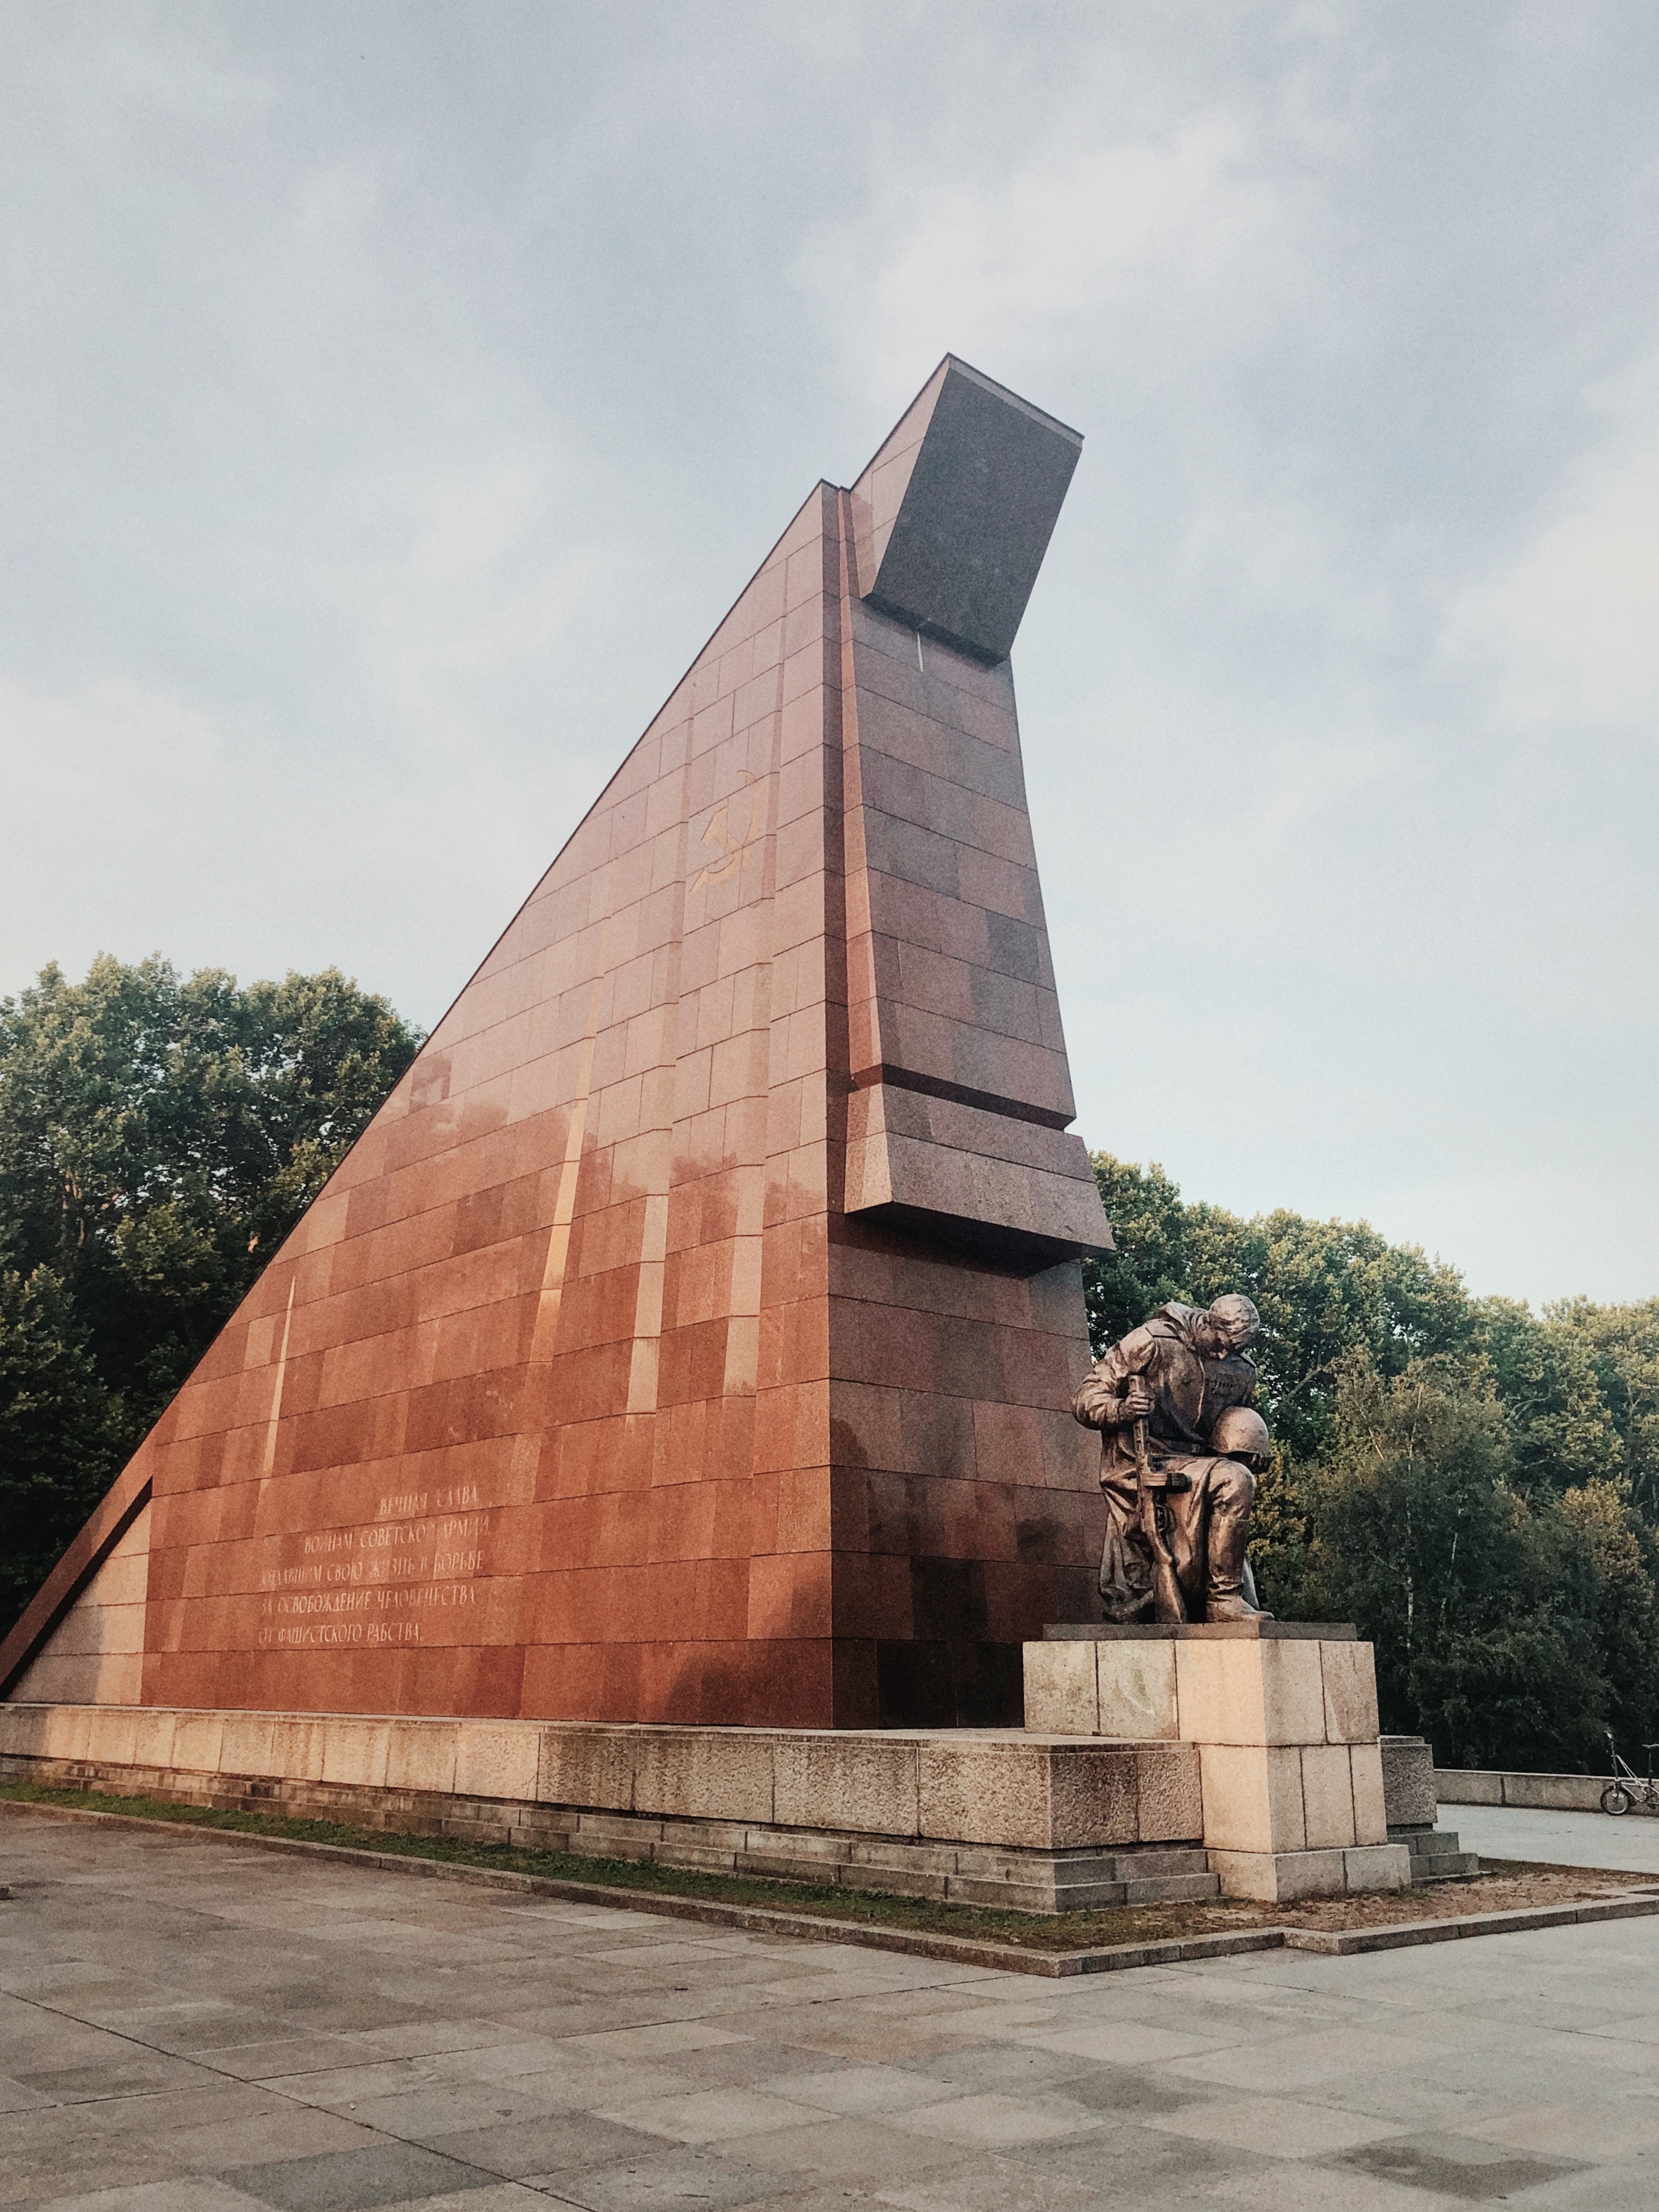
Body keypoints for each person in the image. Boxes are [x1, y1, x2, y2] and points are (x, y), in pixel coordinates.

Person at [1073, 1294, 1272, 1623]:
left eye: (1235, 1350)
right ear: (1207, 1322)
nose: (1225, 1355)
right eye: (1221, 1344)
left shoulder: (1242, 1368)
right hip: (1145, 1461)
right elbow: (1085, 1398)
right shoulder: (1151, 1341)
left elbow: (1232, 1427)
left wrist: (1251, 1450)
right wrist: (1121, 1410)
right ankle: (1223, 1599)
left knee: (1237, 1473)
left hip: (1206, 1463)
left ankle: (1222, 1596)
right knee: (1234, 1479)